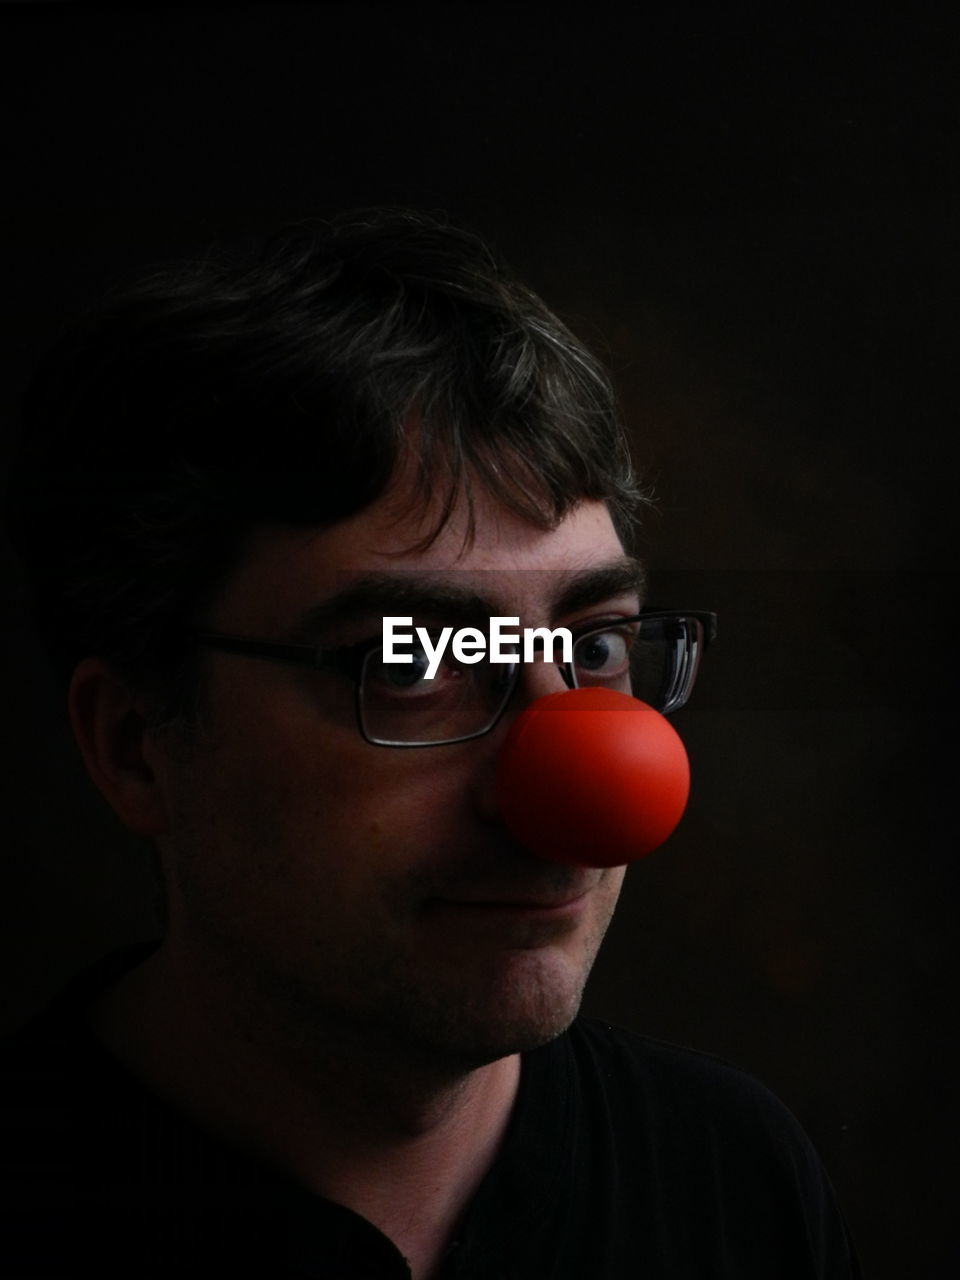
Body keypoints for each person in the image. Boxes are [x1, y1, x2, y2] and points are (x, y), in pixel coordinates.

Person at [1, 211, 860, 1277]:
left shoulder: (737, 1179)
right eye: (415, 660)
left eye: (595, 645)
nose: (575, 790)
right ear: (137, 744)